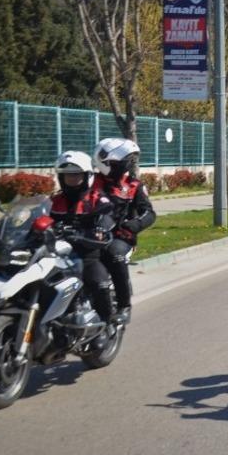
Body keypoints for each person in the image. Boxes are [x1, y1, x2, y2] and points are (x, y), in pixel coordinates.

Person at [92, 138, 156, 325]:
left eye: (129, 161)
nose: (128, 165)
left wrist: (134, 225)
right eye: (124, 162)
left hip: (120, 237)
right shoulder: (90, 182)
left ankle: (123, 305)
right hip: (90, 234)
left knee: (114, 255)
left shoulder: (135, 186)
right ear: (106, 163)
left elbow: (149, 213)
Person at [50, 151, 115, 324]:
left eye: (76, 175)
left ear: (87, 176)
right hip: (56, 254)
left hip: (87, 253)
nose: (71, 179)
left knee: (99, 284)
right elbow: (38, 216)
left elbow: (108, 212)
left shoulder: (95, 198)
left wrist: (101, 226)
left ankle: (107, 325)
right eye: (67, 176)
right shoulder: (55, 200)